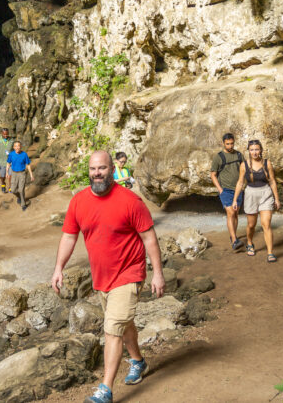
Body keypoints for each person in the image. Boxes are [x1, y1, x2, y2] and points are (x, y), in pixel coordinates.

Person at [51, 150, 165, 403]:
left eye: (102, 168)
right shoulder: (79, 202)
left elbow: (149, 238)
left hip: (129, 272)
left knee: (112, 329)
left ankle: (105, 390)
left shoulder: (130, 201)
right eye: (93, 169)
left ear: (112, 170)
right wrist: (58, 268)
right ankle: (138, 361)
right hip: (102, 278)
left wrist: (157, 273)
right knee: (124, 326)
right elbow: (69, 236)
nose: (97, 173)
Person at [232, 139, 281, 262]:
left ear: (261, 150)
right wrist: (234, 200)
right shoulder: (244, 165)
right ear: (249, 151)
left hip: (266, 193)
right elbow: (240, 183)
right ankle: (249, 242)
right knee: (251, 225)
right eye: (252, 149)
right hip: (250, 194)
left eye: (257, 149)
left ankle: (270, 253)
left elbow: (272, 181)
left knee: (266, 224)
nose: (254, 152)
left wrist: (276, 198)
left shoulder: (267, 163)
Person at [210, 133, 245, 251]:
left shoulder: (239, 155)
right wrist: (220, 189)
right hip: (226, 190)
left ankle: (233, 236)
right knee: (230, 213)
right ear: (223, 143)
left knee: (235, 213)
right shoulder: (218, 157)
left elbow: (244, 169)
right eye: (227, 144)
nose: (230, 146)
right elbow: (213, 174)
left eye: (232, 143)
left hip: (238, 190)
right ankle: (234, 240)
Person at [5, 141, 34, 211]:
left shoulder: (24, 154)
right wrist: (7, 173)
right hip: (14, 173)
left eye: (18, 146)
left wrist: (31, 175)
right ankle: (20, 197)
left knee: (21, 190)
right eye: (16, 146)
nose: (17, 147)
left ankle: (23, 204)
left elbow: (28, 165)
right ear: (13, 147)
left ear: (21, 147)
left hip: (22, 173)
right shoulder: (11, 154)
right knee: (13, 190)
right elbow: (8, 163)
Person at [0, 128, 14, 193]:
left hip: (10, 162)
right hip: (2, 162)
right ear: (1, 133)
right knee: (3, 176)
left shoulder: (12, 140)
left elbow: (15, 149)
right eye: (4, 134)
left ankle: (10, 187)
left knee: (10, 176)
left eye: (7, 134)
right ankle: (3, 184)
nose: (5, 136)